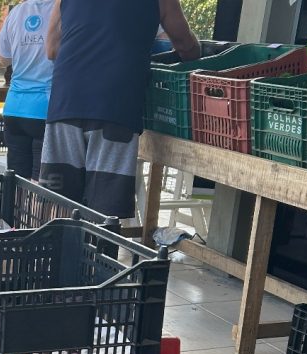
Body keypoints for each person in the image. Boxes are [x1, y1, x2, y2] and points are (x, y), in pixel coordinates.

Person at [38, 0, 199, 219]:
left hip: (66, 100)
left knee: (57, 205)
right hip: (116, 103)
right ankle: (96, 242)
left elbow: (52, 49)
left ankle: (57, 242)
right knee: (105, 213)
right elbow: (185, 44)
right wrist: (198, 53)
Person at [0, 0, 55, 181]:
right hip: (45, 108)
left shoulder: (16, 12)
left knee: (16, 182)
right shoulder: (62, 9)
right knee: (41, 186)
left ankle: (15, 202)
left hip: (14, 108)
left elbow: (3, 59)